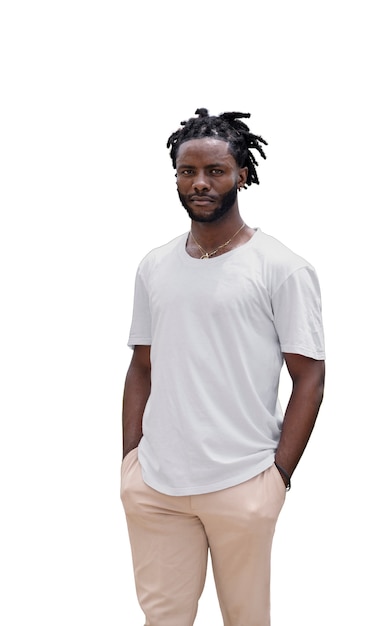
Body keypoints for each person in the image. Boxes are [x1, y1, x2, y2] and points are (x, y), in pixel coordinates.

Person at [120, 108, 325, 626]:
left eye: (215, 170)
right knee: (162, 619)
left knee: (246, 619)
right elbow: (142, 366)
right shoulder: (154, 265)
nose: (200, 183)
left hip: (243, 480)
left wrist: (278, 476)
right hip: (157, 485)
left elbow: (310, 376)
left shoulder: (282, 267)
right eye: (187, 171)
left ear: (243, 175)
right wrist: (130, 463)